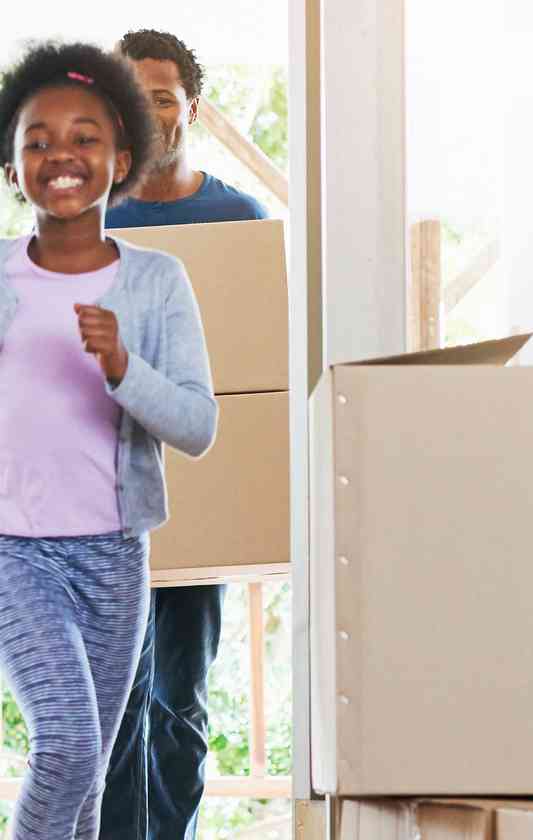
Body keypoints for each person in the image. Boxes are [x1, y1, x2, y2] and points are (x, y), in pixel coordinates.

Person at [0, 41, 217, 840]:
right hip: (13, 552)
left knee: (90, 773)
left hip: (114, 555)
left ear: (123, 156)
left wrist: (125, 366)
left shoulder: (158, 282)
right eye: (37, 139)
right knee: (65, 742)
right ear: (11, 164)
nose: (61, 153)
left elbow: (198, 426)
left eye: (85, 136)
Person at [101, 29, 268, 840]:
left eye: (162, 96)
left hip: (205, 494)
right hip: (108, 499)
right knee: (114, 704)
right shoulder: (91, 221)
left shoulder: (238, 218)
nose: (148, 111)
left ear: (188, 108)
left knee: (180, 701)